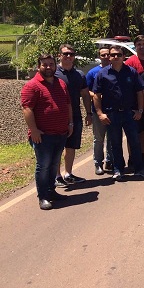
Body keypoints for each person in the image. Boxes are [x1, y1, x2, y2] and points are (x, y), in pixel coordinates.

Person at [21, 53, 72, 210]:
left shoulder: (61, 83)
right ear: (39, 67)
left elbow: (68, 104)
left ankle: (51, 191)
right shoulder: (32, 86)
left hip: (61, 133)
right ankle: (43, 196)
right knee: (43, 166)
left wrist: (70, 123)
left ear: (55, 66)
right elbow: (27, 109)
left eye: (51, 64)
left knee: (54, 164)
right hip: (43, 135)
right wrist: (34, 130)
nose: (48, 67)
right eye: (45, 64)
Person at [92, 45, 144, 180]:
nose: (116, 57)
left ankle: (138, 168)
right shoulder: (102, 74)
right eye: (113, 55)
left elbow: (140, 92)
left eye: (118, 55)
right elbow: (96, 95)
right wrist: (100, 114)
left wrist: (140, 110)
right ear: (109, 57)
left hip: (130, 113)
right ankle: (118, 170)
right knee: (115, 143)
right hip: (112, 114)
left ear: (124, 57)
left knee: (134, 141)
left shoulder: (131, 72)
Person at [54, 44, 92, 187]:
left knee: (71, 146)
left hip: (75, 115)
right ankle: (56, 176)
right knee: (58, 147)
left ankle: (68, 174)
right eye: (66, 54)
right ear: (60, 55)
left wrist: (89, 113)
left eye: (71, 54)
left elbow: (85, 95)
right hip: (58, 117)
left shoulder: (79, 75)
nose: (69, 56)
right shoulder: (53, 73)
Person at [86, 46, 113, 175]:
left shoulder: (115, 70)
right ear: (99, 57)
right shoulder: (92, 73)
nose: (106, 57)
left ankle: (110, 161)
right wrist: (97, 95)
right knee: (99, 138)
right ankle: (98, 163)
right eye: (103, 55)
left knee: (112, 137)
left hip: (113, 109)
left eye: (108, 54)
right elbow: (86, 91)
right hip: (98, 110)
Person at [125, 34, 144, 161]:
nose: (142, 47)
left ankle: (141, 155)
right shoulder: (130, 62)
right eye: (139, 44)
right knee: (133, 132)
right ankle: (132, 157)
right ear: (135, 47)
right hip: (134, 103)